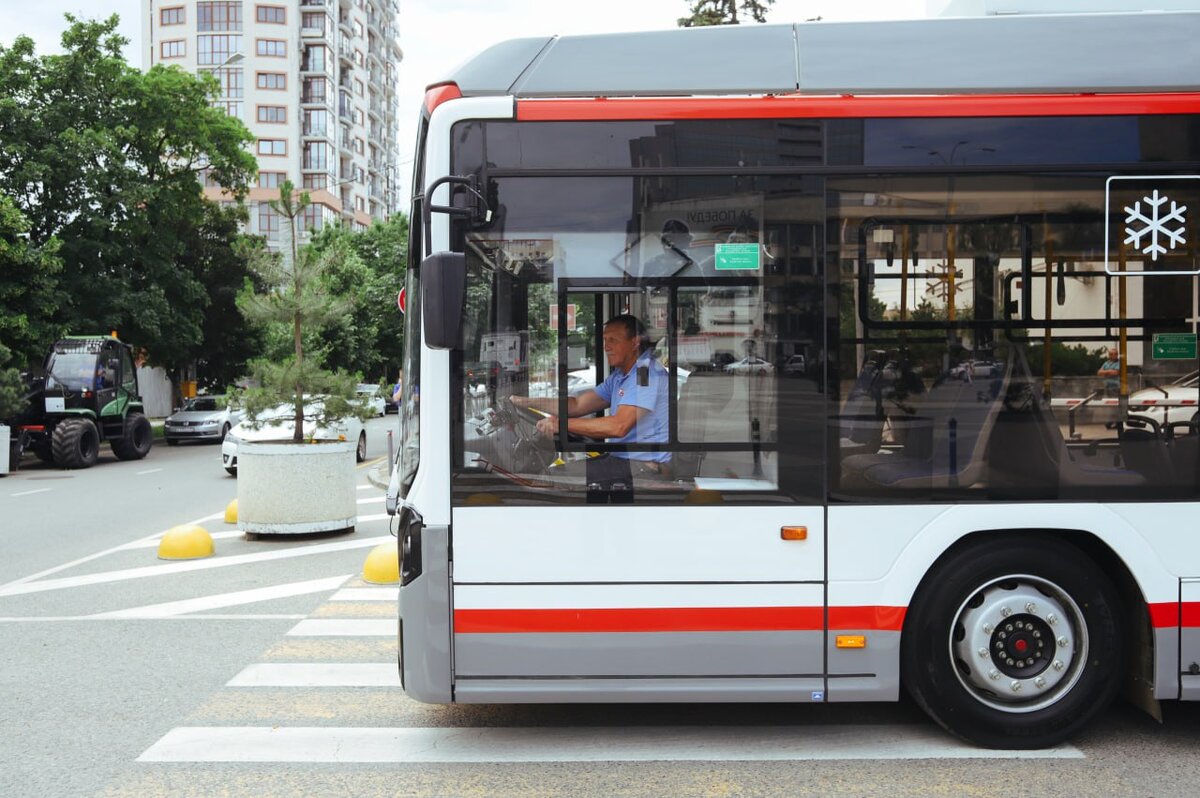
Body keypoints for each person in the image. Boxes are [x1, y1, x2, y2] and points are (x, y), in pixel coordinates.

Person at [511, 314, 670, 501]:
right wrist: (526, 403)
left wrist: (561, 424)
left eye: (613, 340)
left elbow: (618, 426)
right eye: (604, 340)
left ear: (635, 342)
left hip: (643, 466)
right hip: (623, 461)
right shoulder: (621, 375)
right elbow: (577, 405)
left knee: (548, 480)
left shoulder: (645, 374)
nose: (606, 346)